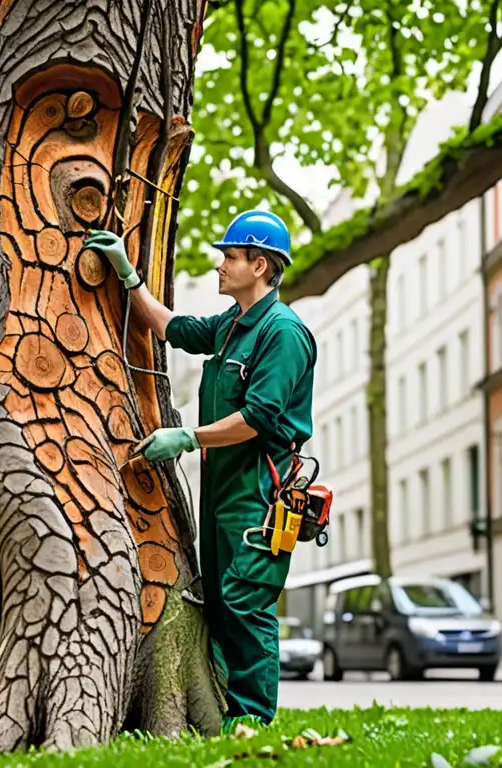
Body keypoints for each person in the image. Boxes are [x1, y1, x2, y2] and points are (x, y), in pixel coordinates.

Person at [82, 211, 317, 731]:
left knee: (244, 600)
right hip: (222, 491)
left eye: (230, 256)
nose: (220, 264)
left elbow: (259, 417)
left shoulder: (283, 333)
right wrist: (128, 277)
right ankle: (227, 705)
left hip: (260, 492)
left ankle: (254, 719)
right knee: (217, 597)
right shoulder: (234, 325)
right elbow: (174, 328)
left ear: (260, 265)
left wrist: (188, 437)